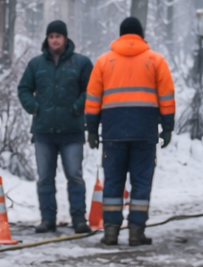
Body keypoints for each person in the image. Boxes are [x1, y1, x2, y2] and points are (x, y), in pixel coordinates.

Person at [84, 17, 176, 246]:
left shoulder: (104, 61)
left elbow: (93, 98)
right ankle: (136, 231)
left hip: (113, 132)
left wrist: (93, 130)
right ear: (141, 35)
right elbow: (167, 97)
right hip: (144, 132)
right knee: (141, 182)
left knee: (113, 181)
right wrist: (167, 127)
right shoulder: (156, 61)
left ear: (120, 34)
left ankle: (111, 231)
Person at [18, 20, 93, 234]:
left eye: (58, 36)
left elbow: (91, 89)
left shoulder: (81, 63)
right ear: (47, 39)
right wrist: (33, 107)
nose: (54, 40)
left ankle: (79, 219)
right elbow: (23, 89)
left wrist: (78, 108)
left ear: (66, 38)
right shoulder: (36, 65)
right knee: (44, 178)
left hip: (72, 131)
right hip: (43, 131)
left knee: (74, 175)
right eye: (51, 37)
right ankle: (47, 219)